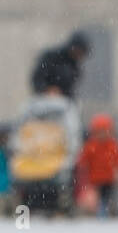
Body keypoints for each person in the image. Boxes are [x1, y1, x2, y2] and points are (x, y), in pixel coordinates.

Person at [9, 85, 83, 217]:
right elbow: (18, 139)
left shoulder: (62, 117)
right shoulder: (32, 121)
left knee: (62, 186)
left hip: (53, 162)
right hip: (32, 161)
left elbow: (72, 139)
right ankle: (22, 216)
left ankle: (59, 210)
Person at [76, 113, 118, 218]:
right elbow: (83, 158)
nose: (102, 135)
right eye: (99, 132)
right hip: (95, 178)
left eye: (105, 132)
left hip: (109, 178)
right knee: (98, 197)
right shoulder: (91, 146)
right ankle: (101, 212)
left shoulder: (112, 145)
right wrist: (81, 165)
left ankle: (105, 211)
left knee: (107, 196)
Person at [30, 30, 91, 98]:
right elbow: (38, 77)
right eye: (78, 51)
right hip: (43, 98)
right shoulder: (51, 57)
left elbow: (70, 89)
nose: (79, 55)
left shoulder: (74, 67)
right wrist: (46, 89)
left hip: (63, 101)